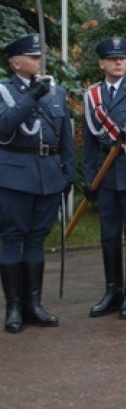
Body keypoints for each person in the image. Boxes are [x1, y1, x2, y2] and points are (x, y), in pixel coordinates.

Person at [0, 34, 75, 333]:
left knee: (36, 239)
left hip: (48, 174)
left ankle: (33, 305)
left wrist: (68, 173)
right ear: (16, 63)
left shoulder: (56, 92)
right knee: (12, 239)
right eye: (33, 57)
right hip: (15, 176)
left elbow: (65, 136)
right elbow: (4, 126)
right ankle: (14, 308)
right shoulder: (4, 91)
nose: (39, 60)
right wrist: (31, 96)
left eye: (39, 55)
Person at [82, 38, 126, 318]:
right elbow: (89, 142)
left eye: (122, 58)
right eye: (112, 59)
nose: (119, 62)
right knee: (109, 238)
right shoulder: (92, 96)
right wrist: (90, 179)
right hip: (106, 175)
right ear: (102, 63)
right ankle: (113, 291)